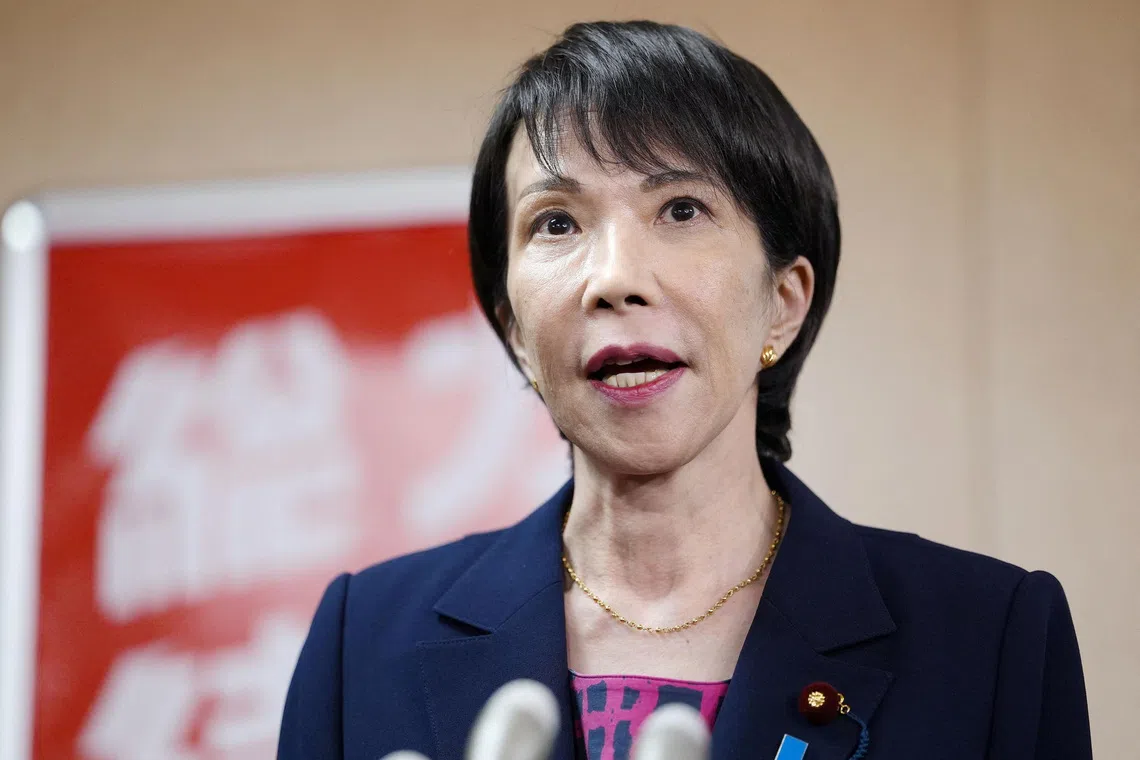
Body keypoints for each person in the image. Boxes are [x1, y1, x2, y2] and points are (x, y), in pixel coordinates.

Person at [278, 21, 1092, 760]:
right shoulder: (363, 641)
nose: (616, 278)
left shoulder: (988, 638)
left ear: (784, 302)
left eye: (680, 208)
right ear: (517, 333)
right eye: (556, 222)